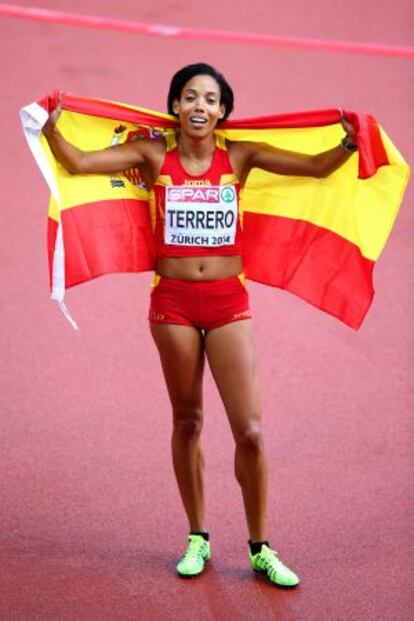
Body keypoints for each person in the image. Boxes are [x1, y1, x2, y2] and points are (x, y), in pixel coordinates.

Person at [42, 62, 357, 587]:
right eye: (190, 97)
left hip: (228, 302)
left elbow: (316, 167)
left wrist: (349, 144)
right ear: (174, 106)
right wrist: (51, 127)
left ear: (224, 112)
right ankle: (198, 537)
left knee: (251, 433)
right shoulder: (152, 154)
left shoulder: (240, 155)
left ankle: (260, 547)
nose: (199, 107)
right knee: (187, 421)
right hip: (174, 305)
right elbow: (77, 162)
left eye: (210, 100)